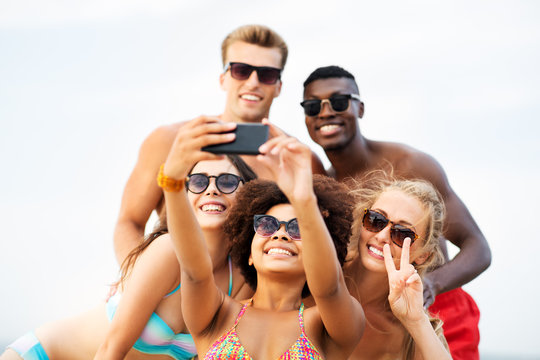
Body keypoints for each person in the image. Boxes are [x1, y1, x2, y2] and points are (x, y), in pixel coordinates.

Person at [301, 65, 489, 359]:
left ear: (359, 108)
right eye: (313, 106)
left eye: (339, 102)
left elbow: (478, 247)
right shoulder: (326, 186)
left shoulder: (410, 165)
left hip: (438, 303)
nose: (325, 112)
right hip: (371, 315)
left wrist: (431, 285)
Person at [1, 150, 256, 360]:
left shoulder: (241, 278)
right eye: (199, 181)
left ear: (247, 194)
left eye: (227, 181)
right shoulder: (168, 251)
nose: (212, 189)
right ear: (185, 194)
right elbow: (111, 349)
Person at [113, 24, 325, 264]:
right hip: (170, 288)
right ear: (223, 78)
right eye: (241, 70)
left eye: (266, 74)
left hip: (244, 298)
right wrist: (133, 279)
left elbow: (314, 239)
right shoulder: (172, 140)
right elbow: (129, 221)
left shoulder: (297, 159)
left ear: (278, 86)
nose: (253, 82)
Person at [160, 117, 365, 359]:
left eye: (297, 228)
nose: (280, 234)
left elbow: (330, 288)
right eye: (267, 225)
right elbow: (195, 270)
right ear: (248, 252)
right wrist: (172, 184)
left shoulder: (325, 325)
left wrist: (304, 200)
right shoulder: (217, 313)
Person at [345, 174, 452, 359]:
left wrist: (416, 322)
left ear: (423, 255)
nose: (382, 236)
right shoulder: (321, 276)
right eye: (375, 219)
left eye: (402, 233)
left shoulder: (415, 330)